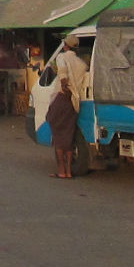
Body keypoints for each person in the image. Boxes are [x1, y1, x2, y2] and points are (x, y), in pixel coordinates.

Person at [46, 34, 89, 179]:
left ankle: (61, 171)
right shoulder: (82, 64)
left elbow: (63, 73)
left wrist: (64, 85)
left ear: (65, 45)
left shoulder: (61, 57)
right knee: (69, 136)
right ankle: (69, 171)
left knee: (57, 133)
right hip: (74, 102)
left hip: (62, 98)